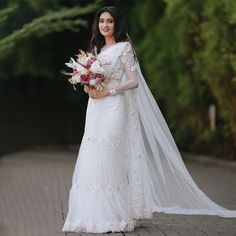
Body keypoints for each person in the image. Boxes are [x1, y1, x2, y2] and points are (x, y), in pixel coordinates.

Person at [62, 6, 236, 234]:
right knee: (94, 155)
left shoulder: (124, 48)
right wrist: (89, 86)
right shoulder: (99, 49)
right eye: (102, 21)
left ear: (117, 24)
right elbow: (98, 80)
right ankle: (94, 213)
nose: (105, 25)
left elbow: (133, 81)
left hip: (114, 107)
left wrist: (109, 91)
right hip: (96, 109)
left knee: (110, 155)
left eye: (110, 21)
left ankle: (114, 213)